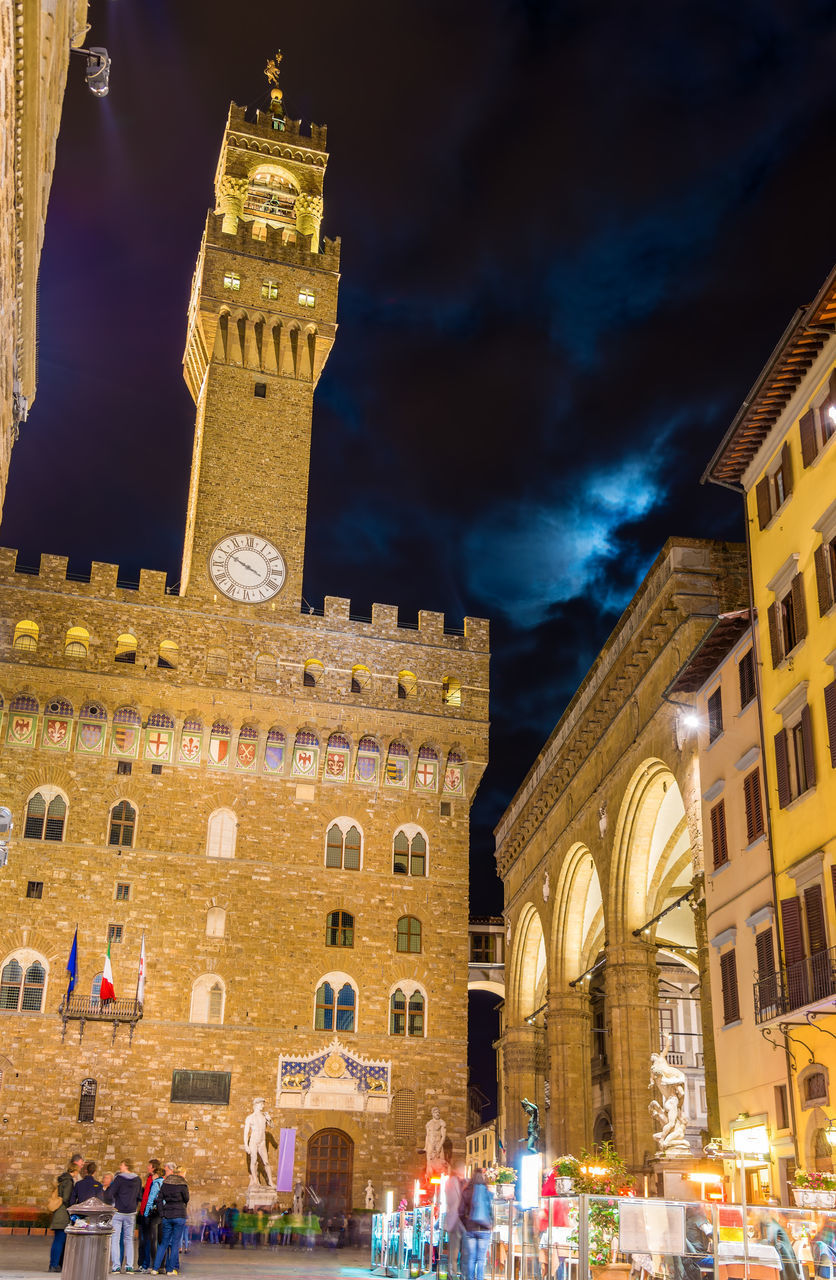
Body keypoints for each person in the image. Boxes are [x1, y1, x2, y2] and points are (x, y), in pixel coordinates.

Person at [151, 1162, 189, 1276]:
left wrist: (162, 1213)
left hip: (167, 1215)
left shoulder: (165, 1183)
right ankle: (170, 1269)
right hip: (179, 1215)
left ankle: (155, 1268)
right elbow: (187, 1198)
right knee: (175, 1243)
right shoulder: (183, 1184)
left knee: (163, 1243)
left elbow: (159, 1199)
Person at [106, 1158, 143, 1273]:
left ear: (126, 1166)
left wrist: (113, 1201)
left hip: (118, 1211)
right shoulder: (138, 1179)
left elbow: (110, 1193)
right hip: (131, 1212)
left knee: (115, 1239)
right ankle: (129, 1266)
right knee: (129, 1239)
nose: (120, 1167)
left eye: (121, 1165)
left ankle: (116, 1266)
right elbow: (139, 1196)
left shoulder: (119, 1179)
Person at [49, 1153, 84, 1272]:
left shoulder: (62, 1179)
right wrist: (72, 1210)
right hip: (63, 1214)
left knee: (58, 1239)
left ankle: (54, 1263)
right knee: (60, 1240)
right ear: (74, 1171)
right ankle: (54, 1264)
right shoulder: (69, 1181)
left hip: (58, 1212)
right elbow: (67, 1198)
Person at [460, 1168, 493, 1280]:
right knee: (481, 1259)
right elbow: (491, 1209)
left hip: (471, 1228)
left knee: (471, 1258)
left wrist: (466, 1224)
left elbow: (460, 1211)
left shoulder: (467, 1191)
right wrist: (491, 1223)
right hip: (484, 1229)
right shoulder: (487, 1192)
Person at [138, 1160, 163, 1272]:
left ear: (154, 1168)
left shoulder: (154, 1181)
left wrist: (146, 1213)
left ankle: (148, 1264)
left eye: (149, 1165)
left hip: (149, 1213)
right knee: (148, 1240)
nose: (147, 1167)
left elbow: (150, 1198)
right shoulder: (151, 1180)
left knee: (150, 1240)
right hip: (150, 1213)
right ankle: (147, 1264)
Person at [445, 1160, 467, 1279]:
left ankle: (463, 1275)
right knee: (453, 1252)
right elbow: (450, 1200)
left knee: (465, 1252)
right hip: (454, 1220)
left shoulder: (468, 1182)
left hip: (465, 1222)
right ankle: (451, 1274)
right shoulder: (450, 1182)